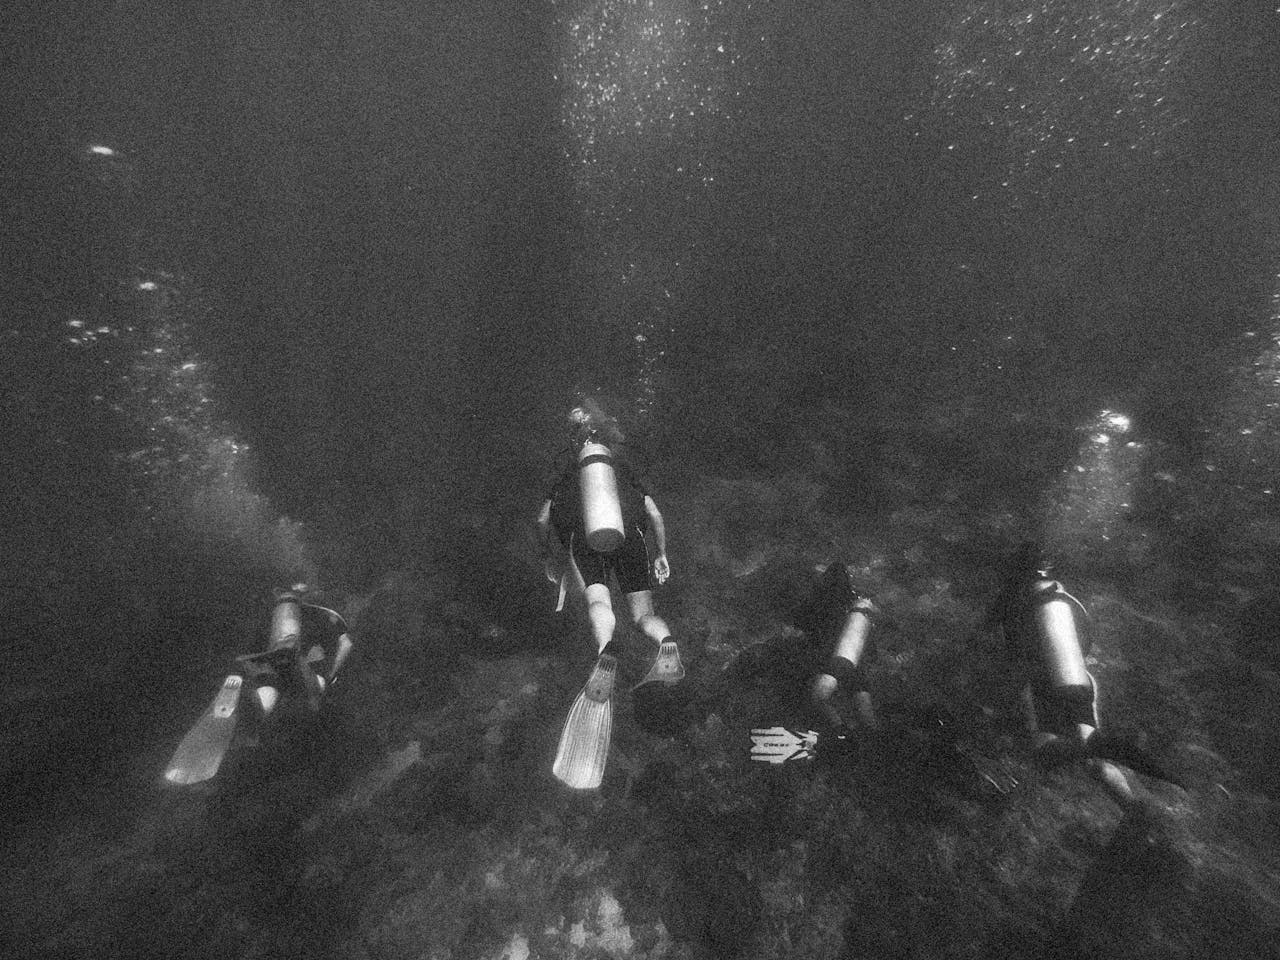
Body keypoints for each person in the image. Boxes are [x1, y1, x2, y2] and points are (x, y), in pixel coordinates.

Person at [539, 403, 682, 789]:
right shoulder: (621, 469)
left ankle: (607, 649)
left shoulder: (570, 472)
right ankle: (665, 642)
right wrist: (663, 553)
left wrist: (551, 557)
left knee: (600, 605)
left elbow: (542, 519)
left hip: (585, 540)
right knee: (643, 614)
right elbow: (653, 512)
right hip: (631, 539)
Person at [984, 542, 1181, 812]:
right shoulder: (1056, 599)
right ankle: (1136, 810)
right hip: (1071, 682)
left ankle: (1140, 806)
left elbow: (1026, 650)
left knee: (1058, 753)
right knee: (1093, 761)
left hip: (1055, 686)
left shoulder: (1034, 602)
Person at [164, 585, 354, 785]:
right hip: (306, 659)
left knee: (265, 698)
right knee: (316, 687)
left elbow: (260, 637)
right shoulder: (333, 618)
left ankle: (243, 700)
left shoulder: (289, 611)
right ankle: (285, 672)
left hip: (272, 654)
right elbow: (347, 643)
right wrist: (331, 676)